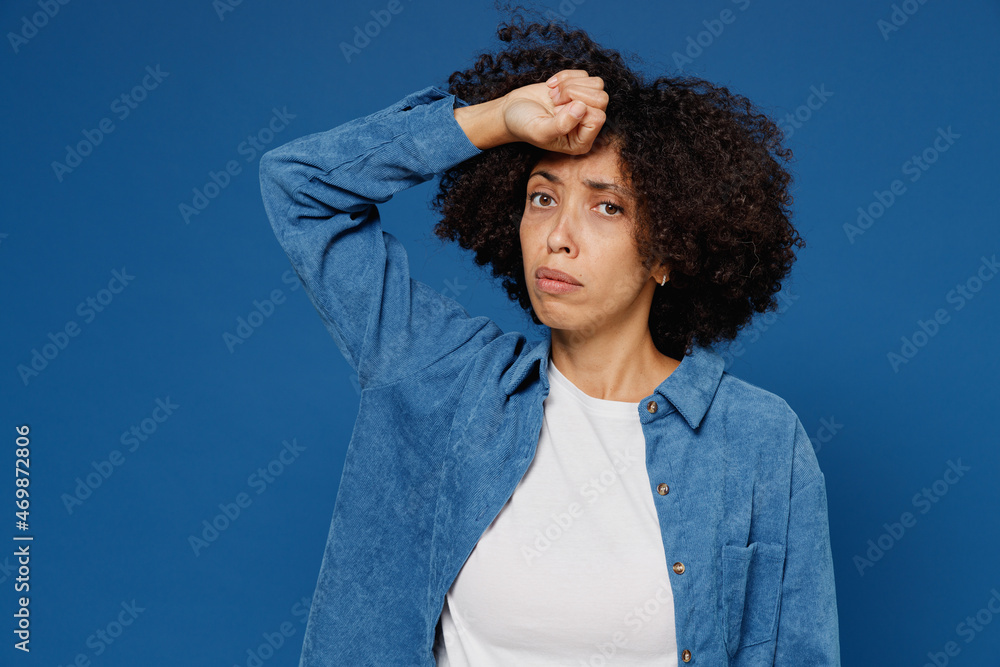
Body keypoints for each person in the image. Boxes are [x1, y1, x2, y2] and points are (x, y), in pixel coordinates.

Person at [258, 12, 840, 667]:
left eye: (607, 206)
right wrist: (497, 120)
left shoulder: (759, 439)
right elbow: (300, 190)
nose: (558, 234)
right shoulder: (440, 376)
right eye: (541, 197)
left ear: (669, 251)